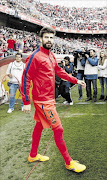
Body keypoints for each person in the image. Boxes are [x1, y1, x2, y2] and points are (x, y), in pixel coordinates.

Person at [21, 27, 86, 173]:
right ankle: (69, 162)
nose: (49, 40)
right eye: (46, 37)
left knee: (39, 126)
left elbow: (59, 71)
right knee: (59, 129)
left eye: (51, 38)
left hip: (49, 99)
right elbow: (26, 78)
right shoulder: (35, 56)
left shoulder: (50, 56)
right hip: (42, 101)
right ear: (40, 39)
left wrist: (75, 80)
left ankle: (33, 155)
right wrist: (26, 101)